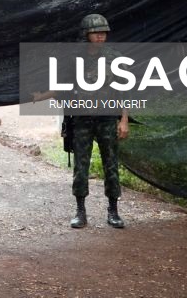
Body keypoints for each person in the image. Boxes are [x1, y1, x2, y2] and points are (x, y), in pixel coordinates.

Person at [33, 14, 129, 229]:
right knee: (81, 167)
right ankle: (80, 211)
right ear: (86, 34)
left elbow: (124, 90)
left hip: (107, 118)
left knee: (111, 165)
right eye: (96, 33)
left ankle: (113, 211)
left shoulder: (115, 58)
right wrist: (41, 96)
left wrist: (124, 120)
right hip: (82, 118)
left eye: (103, 32)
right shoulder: (75, 59)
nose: (100, 36)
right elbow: (63, 86)